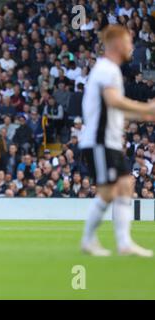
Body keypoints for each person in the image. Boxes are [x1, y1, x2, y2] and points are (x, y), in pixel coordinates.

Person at [80, 25, 155, 257]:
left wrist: (142, 115)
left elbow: (113, 109)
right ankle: (88, 240)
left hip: (108, 141)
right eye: (129, 42)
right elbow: (113, 101)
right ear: (116, 44)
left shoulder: (108, 70)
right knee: (107, 191)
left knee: (125, 185)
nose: (132, 46)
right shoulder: (106, 69)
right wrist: (145, 106)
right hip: (99, 141)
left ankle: (124, 244)